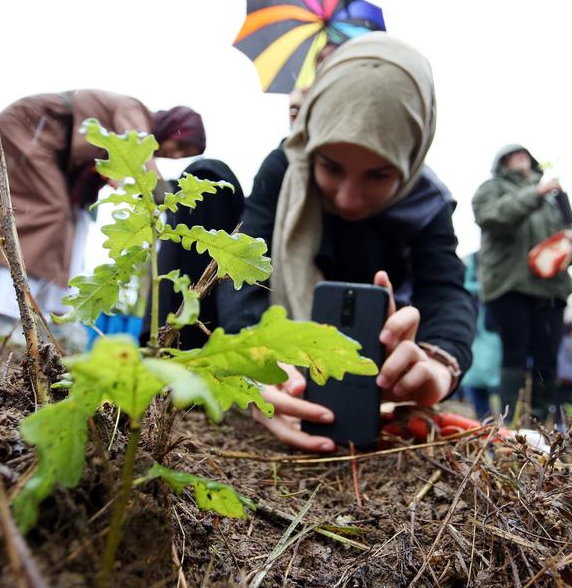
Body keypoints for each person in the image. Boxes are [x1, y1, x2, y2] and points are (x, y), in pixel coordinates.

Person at [217, 33, 476, 452]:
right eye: (330, 166)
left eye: (379, 175)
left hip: (375, 370)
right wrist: (256, 360)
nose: (349, 198)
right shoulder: (284, 169)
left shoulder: (427, 203)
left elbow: (446, 289)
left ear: (410, 159)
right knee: (212, 182)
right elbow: (243, 268)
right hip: (277, 345)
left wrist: (439, 364)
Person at [0, 90, 206, 346]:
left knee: (75, 218)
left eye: (183, 155)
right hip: (32, 127)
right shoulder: (134, 111)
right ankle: (3, 313)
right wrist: (163, 195)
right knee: (43, 215)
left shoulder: (131, 123)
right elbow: (140, 159)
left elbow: (113, 169)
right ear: (173, 126)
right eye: (179, 145)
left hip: (51, 147)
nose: (174, 154)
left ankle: (51, 318)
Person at [471, 145, 572, 422]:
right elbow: (492, 218)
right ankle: (510, 421)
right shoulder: (493, 188)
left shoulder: (553, 197)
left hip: (550, 288)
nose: (521, 158)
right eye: (513, 155)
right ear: (502, 162)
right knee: (515, 352)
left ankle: (537, 421)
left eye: (525, 155)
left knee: (547, 356)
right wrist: (535, 193)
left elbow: (563, 246)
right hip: (510, 284)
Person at [142, 159, 244, 350]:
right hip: (176, 344)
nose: (206, 212)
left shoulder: (173, 240)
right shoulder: (171, 248)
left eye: (216, 203)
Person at [460, 252, 502, 420]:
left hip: (495, 321)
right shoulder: (475, 259)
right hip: (480, 321)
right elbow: (467, 284)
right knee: (476, 375)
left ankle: (501, 422)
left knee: (495, 373)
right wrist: (488, 287)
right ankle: (485, 421)